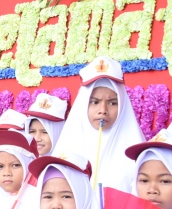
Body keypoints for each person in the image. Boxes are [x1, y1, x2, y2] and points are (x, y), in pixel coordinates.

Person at [54, 56, 145, 189]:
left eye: (113, 103)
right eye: (95, 102)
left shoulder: (137, 153)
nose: (103, 110)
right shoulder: (67, 145)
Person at [23, 93, 67, 157]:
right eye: (32, 131)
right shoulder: (21, 162)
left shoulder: (69, 164)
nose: (37, 138)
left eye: (45, 132)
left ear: (59, 132)